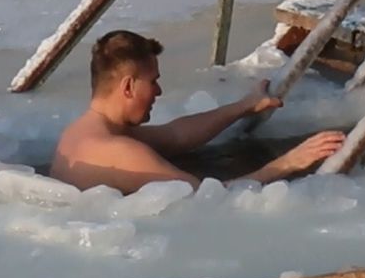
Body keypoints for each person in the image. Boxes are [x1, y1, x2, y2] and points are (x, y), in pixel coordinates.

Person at [51, 30, 347, 195]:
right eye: (153, 81)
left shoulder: (83, 133)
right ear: (128, 86)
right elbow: (209, 198)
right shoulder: (118, 151)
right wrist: (288, 163)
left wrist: (243, 107)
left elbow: (175, 136)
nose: (158, 92)